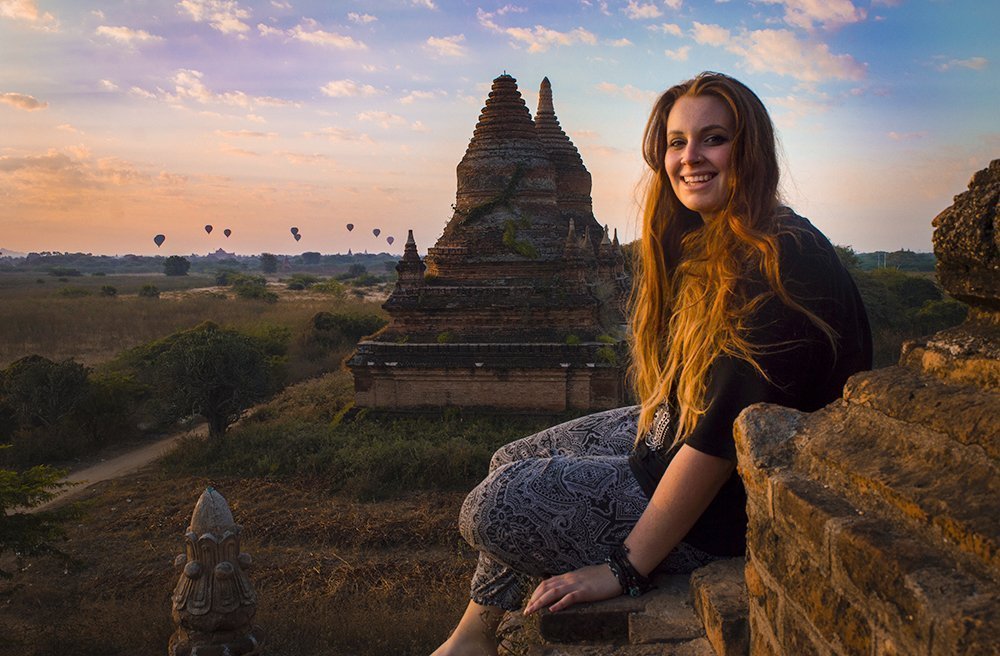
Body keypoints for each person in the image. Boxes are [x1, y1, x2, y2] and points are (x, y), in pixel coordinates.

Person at [431, 71, 872, 656]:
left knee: (491, 507)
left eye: (714, 138)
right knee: (510, 458)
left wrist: (624, 568)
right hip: (675, 433)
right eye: (676, 142)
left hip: (728, 500)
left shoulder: (780, 259)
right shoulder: (710, 239)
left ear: (752, 148)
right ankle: (474, 636)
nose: (691, 157)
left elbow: (720, 441)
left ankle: (496, 626)